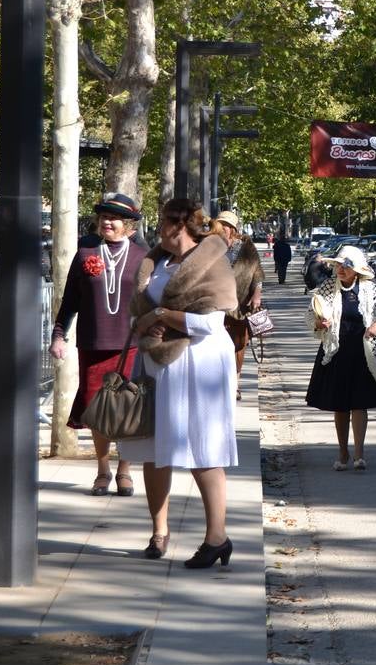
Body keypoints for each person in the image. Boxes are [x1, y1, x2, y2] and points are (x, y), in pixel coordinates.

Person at [119, 198, 238, 567]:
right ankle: (158, 531)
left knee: (204, 450)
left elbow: (210, 324)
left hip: (200, 367)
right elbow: (137, 313)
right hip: (157, 364)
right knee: (154, 450)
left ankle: (216, 537)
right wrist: (142, 323)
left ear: (182, 225)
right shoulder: (155, 264)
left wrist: (161, 315)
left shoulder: (212, 264)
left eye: (164, 222)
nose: (158, 229)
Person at [49, 193, 150, 497]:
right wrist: (58, 335)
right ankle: (103, 469)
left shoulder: (144, 256)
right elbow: (70, 301)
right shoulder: (85, 254)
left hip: (131, 343)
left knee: (127, 409)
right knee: (97, 409)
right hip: (93, 343)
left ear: (129, 225)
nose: (107, 221)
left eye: (114, 217)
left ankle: (125, 470)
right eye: (104, 216)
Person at [305, 245, 376, 470]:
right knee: (340, 405)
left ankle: (359, 454)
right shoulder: (327, 287)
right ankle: (342, 452)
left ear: (356, 270)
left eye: (346, 266)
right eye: (338, 265)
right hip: (335, 351)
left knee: (359, 404)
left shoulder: (368, 289)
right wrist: (319, 323)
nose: (341, 269)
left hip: (362, 353)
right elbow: (312, 314)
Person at [212, 211, 262, 399]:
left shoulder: (245, 246)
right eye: (219, 224)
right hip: (215, 303)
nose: (222, 228)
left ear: (232, 229)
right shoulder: (210, 245)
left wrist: (256, 295)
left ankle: (235, 384)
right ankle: (220, 383)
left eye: (225, 225)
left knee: (238, 344)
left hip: (240, 303)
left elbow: (256, 272)